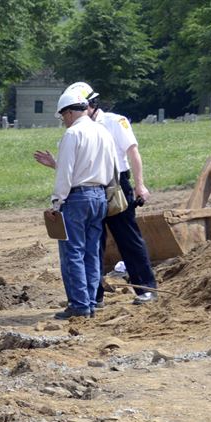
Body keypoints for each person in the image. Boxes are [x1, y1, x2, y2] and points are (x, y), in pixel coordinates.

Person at [35, 83, 158, 305]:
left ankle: (146, 288)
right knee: (95, 243)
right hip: (98, 185)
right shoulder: (88, 129)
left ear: (90, 104)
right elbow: (82, 167)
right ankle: (95, 295)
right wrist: (56, 164)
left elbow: (132, 152)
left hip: (116, 182)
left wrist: (140, 185)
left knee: (127, 237)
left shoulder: (113, 122)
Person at [45, 83, 116, 319]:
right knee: (92, 252)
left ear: (69, 112)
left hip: (76, 199)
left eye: (63, 116)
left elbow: (65, 172)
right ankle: (92, 302)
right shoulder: (103, 132)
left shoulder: (73, 133)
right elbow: (111, 167)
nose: (63, 121)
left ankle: (79, 305)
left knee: (72, 253)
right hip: (100, 196)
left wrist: (57, 203)